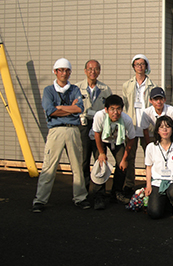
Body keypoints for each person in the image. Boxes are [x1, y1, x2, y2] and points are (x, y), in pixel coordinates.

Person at [32, 58, 90, 212]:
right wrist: (70, 107)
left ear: (70, 72)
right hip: (56, 131)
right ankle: (40, 200)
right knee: (49, 167)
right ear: (55, 72)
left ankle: (80, 197)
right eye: (61, 70)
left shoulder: (75, 89)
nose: (64, 73)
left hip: (73, 129)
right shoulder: (48, 90)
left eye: (67, 70)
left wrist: (61, 108)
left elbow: (79, 109)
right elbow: (50, 111)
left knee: (77, 166)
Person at [90, 95, 136, 209]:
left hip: (117, 139)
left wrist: (125, 159)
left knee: (122, 164)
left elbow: (131, 139)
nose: (115, 112)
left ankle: (116, 192)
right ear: (106, 109)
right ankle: (99, 195)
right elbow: (97, 135)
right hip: (101, 139)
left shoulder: (126, 119)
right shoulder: (99, 116)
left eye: (118, 109)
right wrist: (101, 153)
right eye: (112, 109)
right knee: (100, 163)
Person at [122, 54, 156, 195]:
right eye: (137, 64)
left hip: (148, 127)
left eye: (142, 64)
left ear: (146, 66)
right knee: (130, 156)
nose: (140, 67)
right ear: (133, 67)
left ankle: (154, 182)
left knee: (152, 156)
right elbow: (124, 105)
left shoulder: (152, 86)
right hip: (132, 125)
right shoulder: (127, 85)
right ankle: (129, 184)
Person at [76, 59, 112, 192]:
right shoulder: (77, 88)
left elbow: (110, 109)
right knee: (83, 159)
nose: (93, 72)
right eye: (90, 69)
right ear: (85, 71)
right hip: (83, 125)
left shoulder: (105, 89)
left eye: (96, 69)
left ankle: (99, 194)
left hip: (99, 126)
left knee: (100, 158)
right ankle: (82, 192)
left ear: (99, 71)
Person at [145, 116, 173, 219]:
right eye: (161, 127)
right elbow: (148, 167)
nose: (165, 129)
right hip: (157, 182)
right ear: (157, 131)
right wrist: (148, 185)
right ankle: (167, 204)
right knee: (154, 213)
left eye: (168, 127)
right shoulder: (151, 147)